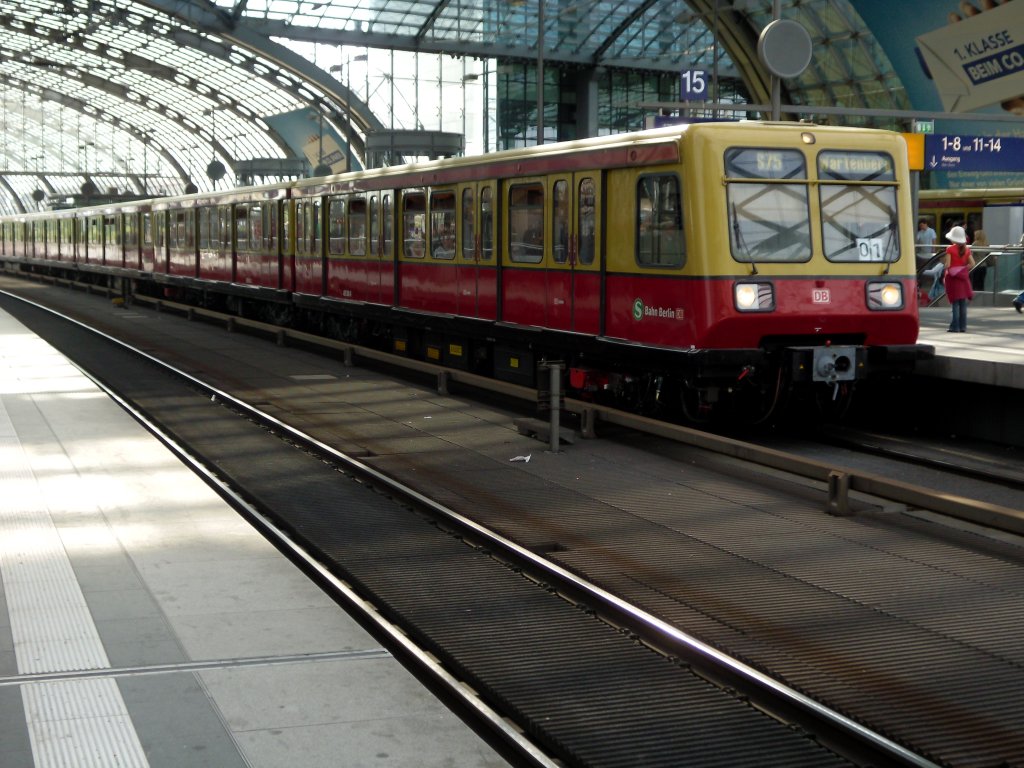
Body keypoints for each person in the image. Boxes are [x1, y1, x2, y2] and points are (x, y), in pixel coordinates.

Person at [942, 225, 975, 332]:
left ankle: (954, 327)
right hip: (963, 280)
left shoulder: (950, 249)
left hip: (953, 280)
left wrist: (949, 267)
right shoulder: (967, 249)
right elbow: (973, 263)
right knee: (963, 304)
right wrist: (963, 269)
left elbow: (948, 265)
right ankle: (963, 326)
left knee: (955, 304)